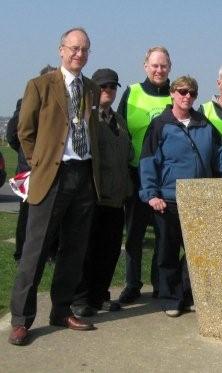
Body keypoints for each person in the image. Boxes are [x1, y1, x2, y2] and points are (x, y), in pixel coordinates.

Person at [9, 27, 101, 346]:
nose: (79, 54)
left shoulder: (90, 88)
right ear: (61, 50)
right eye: (74, 48)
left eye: (85, 49)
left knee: (74, 250)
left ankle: (61, 310)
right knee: (35, 251)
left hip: (83, 176)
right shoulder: (40, 85)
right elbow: (24, 131)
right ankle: (21, 320)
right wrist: (40, 163)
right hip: (52, 176)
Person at [139, 76, 222, 317]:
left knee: (198, 252)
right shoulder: (161, 125)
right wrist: (151, 194)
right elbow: (148, 161)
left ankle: (189, 294)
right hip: (168, 199)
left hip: (199, 200)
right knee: (167, 252)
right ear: (172, 93)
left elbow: (221, 156)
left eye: (192, 93)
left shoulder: (204, 124)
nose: (187, 97)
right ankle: (170, 298)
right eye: (182, 92)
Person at [72, 68, 132, 316]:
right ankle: (80, 299)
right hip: (93, 196)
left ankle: (100, 295)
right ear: (94, 89)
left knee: (108, 251)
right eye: (104, 86)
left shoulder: (118, 120)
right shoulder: (87, 119)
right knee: (87, 250)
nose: (109, 91)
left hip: (116, 198)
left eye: (113, 86)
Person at [117, 46, 172, 304]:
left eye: (163, 66)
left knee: (164, 235)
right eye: (154, 65)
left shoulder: (177, 95)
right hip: (136, 174)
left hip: (165, 178)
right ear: (145, 66)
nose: (159, 70)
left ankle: (160, 283)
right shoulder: (132, 93)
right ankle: (132, 283)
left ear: (169, 67)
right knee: (135, 234)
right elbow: (118, 131)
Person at [6, 64, 58, 262]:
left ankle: (50, 251)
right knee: (27, 213)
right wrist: (26, 156)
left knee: (52, 213)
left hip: (48, 166)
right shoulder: (26, 103)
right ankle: (21, 252)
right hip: (29, 169)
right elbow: (14, 135)